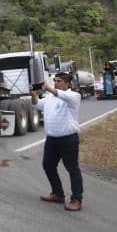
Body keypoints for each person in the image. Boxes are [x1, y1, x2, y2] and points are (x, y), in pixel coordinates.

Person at [30, 72, 83, 212]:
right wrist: (34, 95)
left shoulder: (73, 96)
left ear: (67, 83)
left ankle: (77, 199)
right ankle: (58, 194)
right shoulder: (49, 98)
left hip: (68, 139)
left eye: (59, 81)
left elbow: (61, 95)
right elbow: (37, 105)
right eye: (55, 81)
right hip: (52, 139)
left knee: (72, 169)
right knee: (48, 165)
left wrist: (48, 88)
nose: (56, 83)